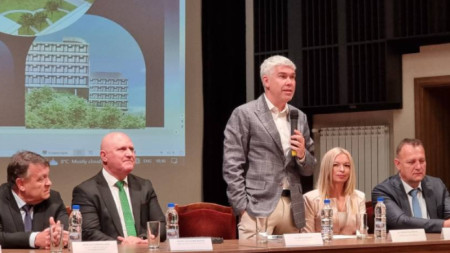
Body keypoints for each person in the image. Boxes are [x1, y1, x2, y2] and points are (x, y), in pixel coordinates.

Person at [223, 55, 317, 239]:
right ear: (266, 81)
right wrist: (242, 208)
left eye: (292, 77)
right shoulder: (245, 114)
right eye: (283, 76)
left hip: (293, 208)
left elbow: (310, 169)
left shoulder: (300, 117)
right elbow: (232, 165)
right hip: (257, 208)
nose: (289, 82)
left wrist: (302, 155)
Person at [72, 132, 166, 244]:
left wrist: (141, 240)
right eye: (122, 149)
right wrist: (123, 244)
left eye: (131, 149)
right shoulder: (86, 191)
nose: (130, 154)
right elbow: (89, 233)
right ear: (104, 156)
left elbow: (161, 226)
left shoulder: (144, 186)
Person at [372, 138, 450, 232]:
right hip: (403, 246)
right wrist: (443, 224)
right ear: (398, 164)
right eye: (411, 162)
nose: (418, 167)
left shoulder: (437, 185)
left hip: (435, 245)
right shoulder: (383, 191)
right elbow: (400, 222)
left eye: (422, 161)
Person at [0, 151, 69, 249]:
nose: (49, 183)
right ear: (21, 184)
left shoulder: (54, 199)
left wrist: (60, 236)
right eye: (41, 179)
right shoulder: (1, 199)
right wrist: (34, 239)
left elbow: (65, 231)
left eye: (47, 176)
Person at [303, 147, 365, 234]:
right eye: (335, 165)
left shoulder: (359, 197)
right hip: (322, 247)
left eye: (347, 165)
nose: (342, 170)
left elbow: (362, 234)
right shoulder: (310, 198)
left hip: (352, 246)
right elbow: (308, 237)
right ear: (326, 168)